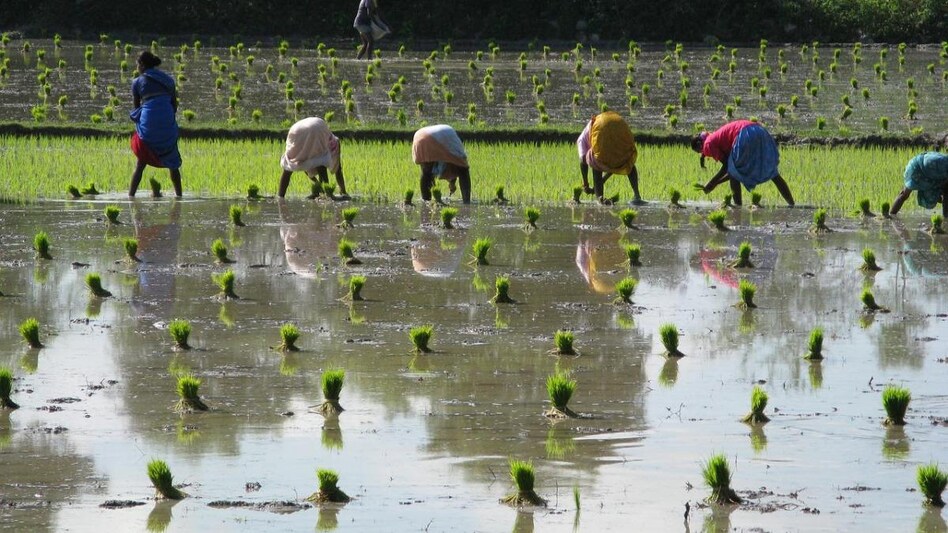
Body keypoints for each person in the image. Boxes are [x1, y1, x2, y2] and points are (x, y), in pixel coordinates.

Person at [691, 120, 794, 207]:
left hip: (744, 134)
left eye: (699, 152)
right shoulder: (716, 137)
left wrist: (711, 183)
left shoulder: (708, 144)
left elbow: (728, 168)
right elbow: (733, 170)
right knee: (774, 174)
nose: (704, 154)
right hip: (759, 130)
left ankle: (738, 209)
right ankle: (792, 204)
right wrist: (716, 183)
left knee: (733, 176)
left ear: (700, 145)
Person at [128, 51, 182, 197]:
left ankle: (130, 197)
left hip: (149, 123)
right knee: (173, 164)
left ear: (143, 65)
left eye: (138, 64)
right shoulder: (168, 80)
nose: (137, 67)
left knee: (140, 163)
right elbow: (174, 107)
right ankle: (179, 196)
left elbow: (136, 109)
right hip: (166, 120)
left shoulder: (137, 82)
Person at [576, 111, 641, 205]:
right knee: (625, 159)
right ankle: (637, 195)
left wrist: (585, 185)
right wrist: (604, 179)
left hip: (602, 127)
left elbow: (583, 161)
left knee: (595, 161)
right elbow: (613, 161)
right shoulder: (591, 134)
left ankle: (600, 199)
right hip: (619, 124)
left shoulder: (581, 140)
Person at [279, 117, 350, 199]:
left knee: (289, 166)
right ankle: (327, 196)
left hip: (295, 130)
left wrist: (318, 185)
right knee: (321, 164)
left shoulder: (327, 139)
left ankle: (280, 197)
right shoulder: (333, 145)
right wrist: (344, 192)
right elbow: (338, 170)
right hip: (315, 128)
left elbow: (305, 167)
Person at [411, 124, 471, 204]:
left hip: (419, 137)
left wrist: (452, 184)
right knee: (463, 170)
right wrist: (452, 184)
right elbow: (459, 168)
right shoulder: (456, 148)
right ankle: (467, 202)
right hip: (438, 136)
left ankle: (426, 203)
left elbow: (452, 169)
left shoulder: (451, 145)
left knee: (427, 173)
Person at [890, 151, 948, 217]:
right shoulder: (944, 163)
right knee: (904, 195)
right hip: (918, 167)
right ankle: (890, 215)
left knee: (904, 194)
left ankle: (890, 215)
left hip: (930, 170)